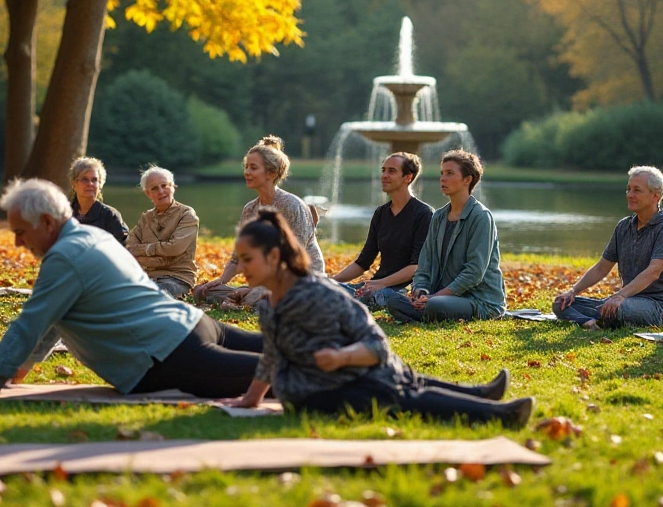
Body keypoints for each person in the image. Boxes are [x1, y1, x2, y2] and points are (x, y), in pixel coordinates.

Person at [0, 179, 263, 402]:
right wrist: (17, 371)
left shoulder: (64, 257)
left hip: (166, 355)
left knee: (284, 372)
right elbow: (53, 323)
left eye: (20, 232)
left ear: (45, 222)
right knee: (282, 347)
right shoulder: (93, 238)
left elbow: (30, 324)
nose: (18, 243)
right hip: (192, 324)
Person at [220, 209, 535, 427]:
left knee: (398, 377)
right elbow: (271, 357)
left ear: (274, 257)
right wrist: (251, 398)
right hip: (317, 394)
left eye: (247, 260)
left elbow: (377, 346)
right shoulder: (267, 305)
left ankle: (481, 395)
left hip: (328, 384)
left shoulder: (319, 294)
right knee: (396, 393)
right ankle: (499, 415)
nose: (241, 268)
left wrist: (342, 356)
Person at [193, 136, 326, 308]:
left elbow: (292, 260)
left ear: (271, 173)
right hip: (266, 281)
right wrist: (221, 281)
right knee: (202, 292)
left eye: (253, 168)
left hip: (300, 280)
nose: (247, 172)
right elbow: (237, 258)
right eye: (246, 167)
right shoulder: (250, 209)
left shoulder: (292, 205)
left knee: (260, 297)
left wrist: (253, 290)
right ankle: (243, 299)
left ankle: (245, 301)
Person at [553, 166, 663, 328]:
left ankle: (599, 317)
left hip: (657, 304)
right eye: (628, 189)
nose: (630, 195)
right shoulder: (624, 226)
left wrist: (619, 296)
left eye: (637, 190)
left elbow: (653, 272)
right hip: (627, 299)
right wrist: (573, 291)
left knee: (617, 309)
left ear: (655, 196)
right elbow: (601, 268)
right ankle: (588, 322)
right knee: (561, 303)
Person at [386, 150, 506, 323]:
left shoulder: (481, 217)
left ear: (467, 179)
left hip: (480, 301)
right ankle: (424, 312)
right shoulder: (439, 216)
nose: (443, 178)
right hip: (440, 296)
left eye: (450, 173)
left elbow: (474, 272)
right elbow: (425, 264)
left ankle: (424, 313)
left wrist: (435, 297)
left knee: (435, 305)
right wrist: (421, 292)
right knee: (393, 300)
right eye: (442, 173)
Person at [331, 153, 432, 313]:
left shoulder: (423, 214)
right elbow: (363, 262)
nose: (384, 175)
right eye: (383, 170)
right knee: (329, 290)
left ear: (408, 177)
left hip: (401, 291)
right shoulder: (381, 213)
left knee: (356, 298)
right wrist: (331, 281)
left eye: (391, 171)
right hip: (376, 286)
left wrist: (382, 283)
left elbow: (417, 266)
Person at [124, 165, 199, 299]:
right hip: (146, 276)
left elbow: (175, 248)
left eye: (164, 185)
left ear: (173, 187)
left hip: (176, 278)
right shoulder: (146, 218)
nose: (161, 191)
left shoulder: (187, 215)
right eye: (154, 188)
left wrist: (145, 250)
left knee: (150, 296)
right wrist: (161, 254)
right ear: (148, 193)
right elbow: (130, 249)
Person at [68, 156, 129, 244]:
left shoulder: (110, 216)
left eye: (94, 180)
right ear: (74, 184)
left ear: (100, 185)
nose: (90, 184)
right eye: (84, 179)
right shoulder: (66, 215)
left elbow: (121, 249)